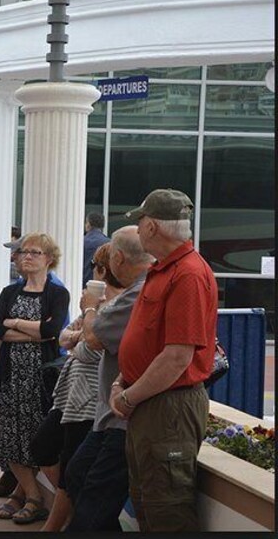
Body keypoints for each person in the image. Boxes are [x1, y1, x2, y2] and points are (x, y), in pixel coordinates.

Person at [111, 189, 217, 532]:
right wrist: (122, 382)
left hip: (167, 407)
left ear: (153, 227)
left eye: (140, 222)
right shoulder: (165, 270)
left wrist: (128, 396)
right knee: (148, 500)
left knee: (165, 509)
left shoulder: (187, 274)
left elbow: (176, 358)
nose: (138, 230)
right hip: (153, 403)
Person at [64, 226, 153, 532]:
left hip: (125, 414)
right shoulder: (133, 292)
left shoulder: (139, 294)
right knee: (77, 475)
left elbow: (91, 340)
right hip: (110, 412)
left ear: (117, 259)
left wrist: (89, 306)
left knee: (93, 502)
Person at [31, 243, 122, 532]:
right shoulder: (95, 306)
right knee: (46, 449)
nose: (92, 271)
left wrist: (80, 336)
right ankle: (70, 514)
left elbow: (87, 350)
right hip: (71, 396)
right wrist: (80, 336)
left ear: (105, 269)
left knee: (74, 466)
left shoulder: (111, 306)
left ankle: (56, 524)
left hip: (91, 398)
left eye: (95, 265)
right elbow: (63, 337)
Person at [0, 233, 69, 524]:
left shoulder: (57, 294)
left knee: (37, 437)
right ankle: (34, 496)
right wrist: (33, 330)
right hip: (11, 375)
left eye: (35, 252)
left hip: (41, 378)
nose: (27, 257)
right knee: (10, 437)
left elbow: (52, 331)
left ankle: (25, 496)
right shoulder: (9, 293)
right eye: (23, 252)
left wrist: (16, 323)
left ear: (49, 258)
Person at [83, 212, 109, 287]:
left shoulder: (80, 242)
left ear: (88, 224)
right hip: (100, 286)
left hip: (81, 284)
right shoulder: (108, 243)